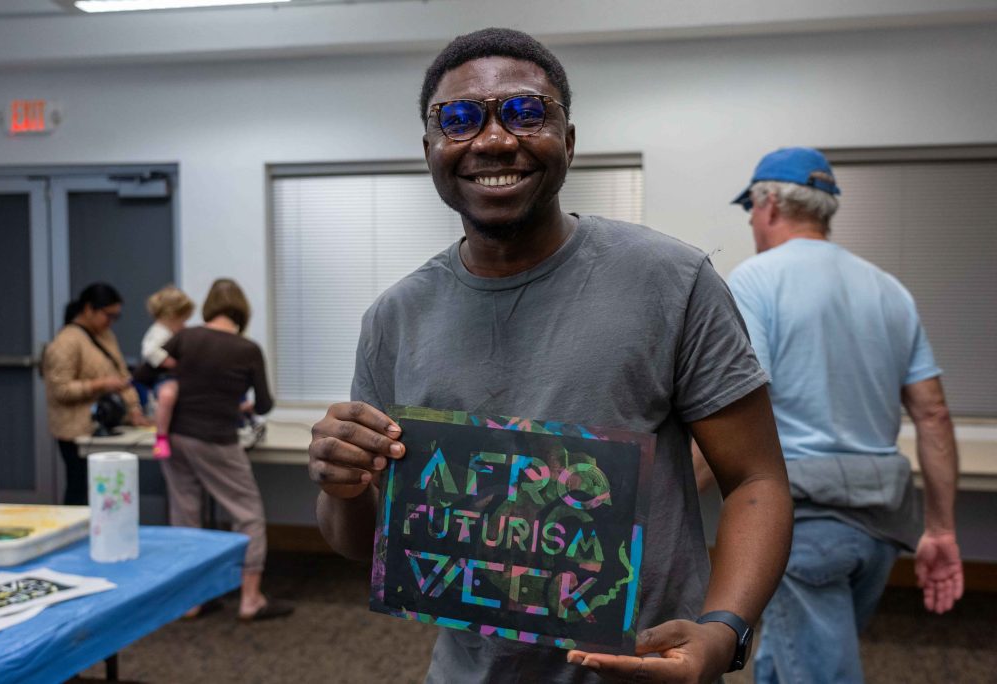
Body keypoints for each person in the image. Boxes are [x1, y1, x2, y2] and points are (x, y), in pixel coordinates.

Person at [309, 28, 793, 683]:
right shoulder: (394, 319)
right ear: (430, 150)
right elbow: (365, 541)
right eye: (459, 119)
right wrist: (340, 487)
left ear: (568, 140)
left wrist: (723, 631)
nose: (493, 139)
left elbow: (757, 481)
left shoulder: (672, 282)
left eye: (525, 112)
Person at [721, 146, 963, 683]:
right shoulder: (889, 290)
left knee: (817, 670)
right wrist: (942, 529)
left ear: (769, 205)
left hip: (804, 522)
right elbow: (933, 416)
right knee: (791, 655)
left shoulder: (755, 279)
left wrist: (660, 497)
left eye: (751, 210)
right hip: (881, 526)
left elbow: (735, 404)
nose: (753, 222)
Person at [160, 278, 291, 621]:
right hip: (216, 439)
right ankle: (250, 599)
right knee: (247, 514)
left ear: (208, 308)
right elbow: (264, 404)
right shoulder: (246, 349)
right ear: (242, 312)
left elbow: (146, 371)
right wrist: (241, 404)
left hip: (176, 437)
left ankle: (190, 600)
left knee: (185, 515)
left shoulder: (185, 337)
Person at [43, 282, 149, 505]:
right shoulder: (67, 341)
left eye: (116, 317)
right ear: (89, 309)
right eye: (108, 315)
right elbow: (60, 389)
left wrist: (134, 409)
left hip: (104, 428)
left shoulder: (105, 336)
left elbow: (122, 375)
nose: (111, 322)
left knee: (107, 489)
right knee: (80, 487)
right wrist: (98, 385)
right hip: (75, 431)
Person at [139, 285, 194, 459]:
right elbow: (149, 351)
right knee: (167, 396)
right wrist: (170, 362)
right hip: (163, 377)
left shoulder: (171, 331)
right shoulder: (158, 332)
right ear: (171, 316)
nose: (184, 325)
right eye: (182, 320)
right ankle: (161, 438)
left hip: (175, 377)